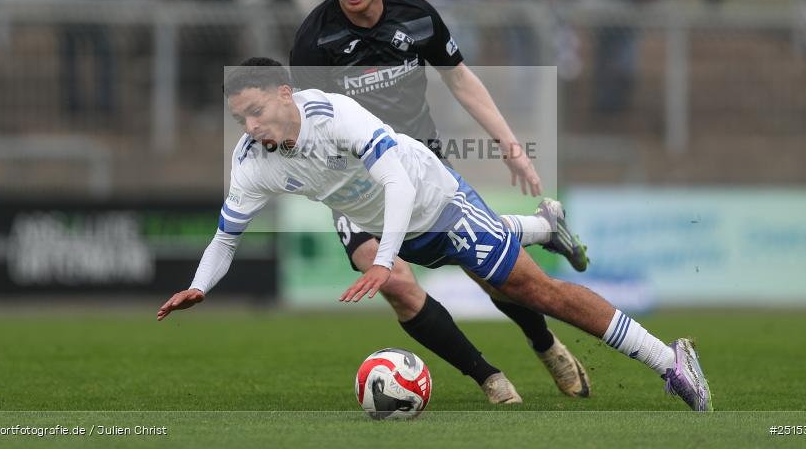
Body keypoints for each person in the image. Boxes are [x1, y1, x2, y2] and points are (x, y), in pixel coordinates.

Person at [157, 58, 713, 413]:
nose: (251, 129)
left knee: (532, 292)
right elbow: (225, 238)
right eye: (240, 121)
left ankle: (670, 361)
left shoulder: (336, 115)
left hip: (433, 199)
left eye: (256, 113)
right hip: (362, 214)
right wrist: (200, 284)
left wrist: (385, 258)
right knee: (397, 280)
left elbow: (396, 182)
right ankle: (490, 376)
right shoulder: (253, 160)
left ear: (284, 94)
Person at [288, 0, 589, 404]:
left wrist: (510, 145)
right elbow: (308, 122)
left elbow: (461, 80)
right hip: (355, 185)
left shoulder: (417, 16)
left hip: (423, 168)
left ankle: (545, 342)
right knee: (396, 283)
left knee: (488, 269)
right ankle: (489, 378)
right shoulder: (313, 42)